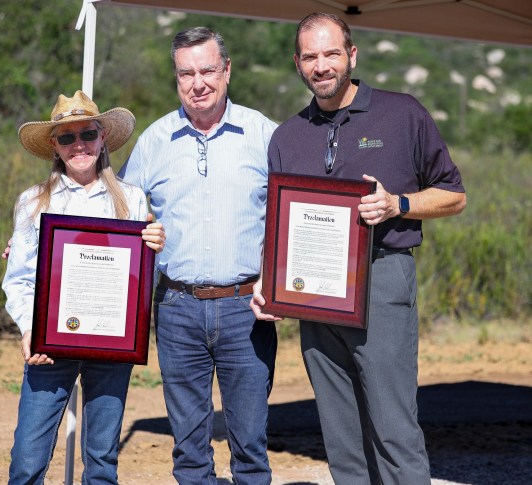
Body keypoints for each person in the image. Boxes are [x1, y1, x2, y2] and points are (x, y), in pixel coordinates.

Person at [251, 13, 466, 485]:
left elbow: (455, 194)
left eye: (331, 53)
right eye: (310, 56)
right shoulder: (287, 136)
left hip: (383, 281)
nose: (321, 65)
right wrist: (269, 282)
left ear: (352, 55)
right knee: (341, 437)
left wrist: (399, 204)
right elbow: (279, 223)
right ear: (297, 63)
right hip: (314, 296)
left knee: (393, 430)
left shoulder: (402, 113)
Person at [118, 27, 278, 485]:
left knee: (250, 445)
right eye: (186, 73)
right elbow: (117, 210)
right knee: (189, 451)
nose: (198, 82)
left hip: (246, 308)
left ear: (227, 71)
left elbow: (294, 215)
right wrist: (40, 238)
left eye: (207, 70)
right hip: (176, 310)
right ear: (176, 78)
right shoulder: (155, 140)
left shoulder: (262, 133)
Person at [2, 90, 165, 484]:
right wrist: (30, 329)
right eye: (67, 137)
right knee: (28, 458)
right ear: (55, 147)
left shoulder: (130, 199)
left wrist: (154, 252)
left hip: (111, 347)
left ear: (102, 138)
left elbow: (143, 282)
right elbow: (20, 278)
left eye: (87, 134)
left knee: (102, 461)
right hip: (48, 347)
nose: (79, 145)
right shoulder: (32, 203)